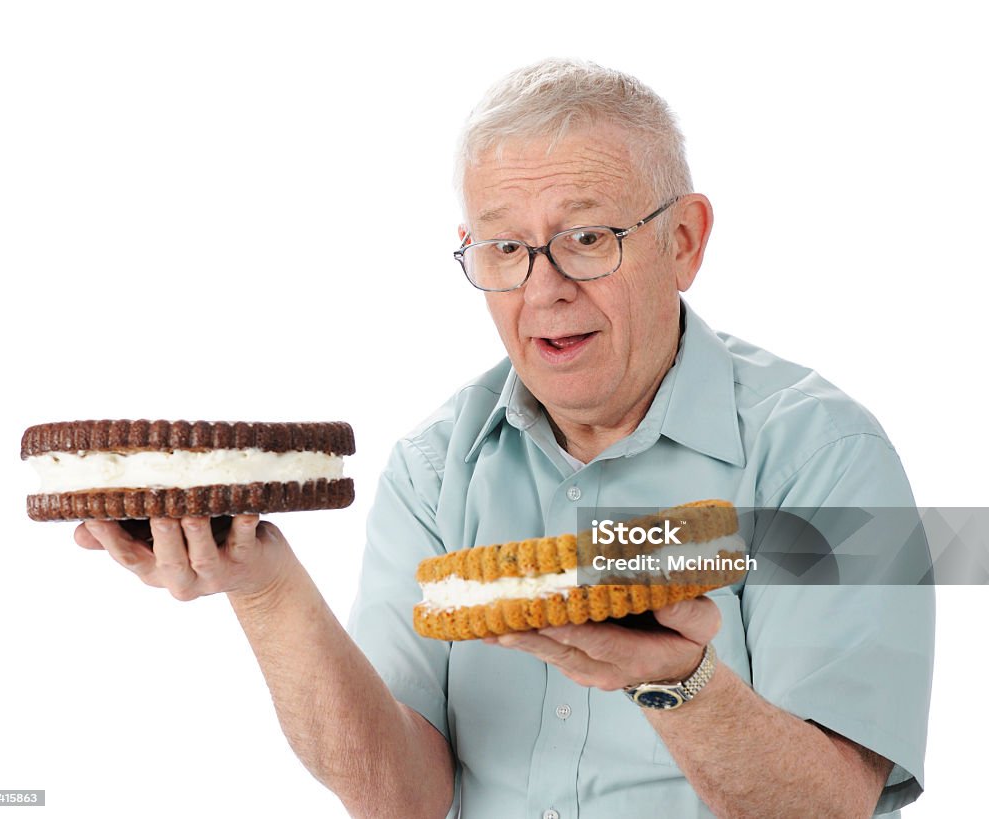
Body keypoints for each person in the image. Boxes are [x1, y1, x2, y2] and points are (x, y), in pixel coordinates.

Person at [76, 59, 934, 818]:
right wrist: (263, 586)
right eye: (505, 248)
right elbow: (401, 798)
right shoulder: (429, 468)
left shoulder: (827, 457)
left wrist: (680, 683)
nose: (544, 287)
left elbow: (833, 807)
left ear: (684, 241)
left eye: (588, 239)